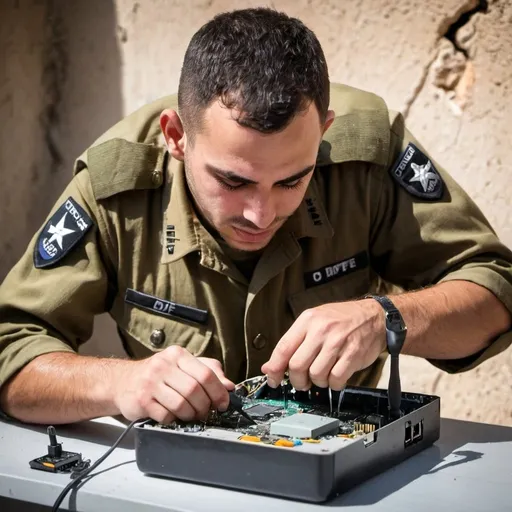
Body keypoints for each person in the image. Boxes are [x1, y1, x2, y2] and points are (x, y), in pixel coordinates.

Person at [0, 8, 511, 426]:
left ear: (324, 132)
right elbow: (10, 349)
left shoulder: (368, 154)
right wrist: (119, 383)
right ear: (177, 137)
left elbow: (497, 291)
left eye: (293, 179)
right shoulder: (117, 185)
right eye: (232, 180)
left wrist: (386, 320)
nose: (260, 214)